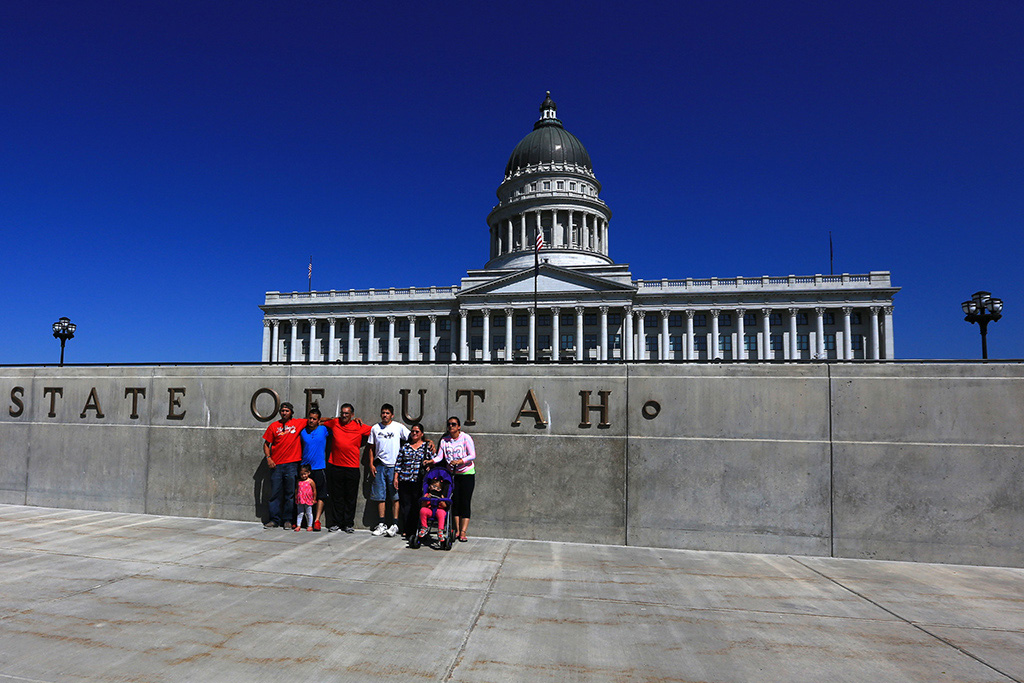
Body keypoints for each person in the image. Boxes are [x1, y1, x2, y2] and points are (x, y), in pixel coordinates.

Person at [320, 403, 371, 533]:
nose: (344, 415)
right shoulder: (335, 422)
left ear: (352, 415)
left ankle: (348, 524)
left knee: (350, 497)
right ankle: (336, 523)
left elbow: (378, 431)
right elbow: (321, 420)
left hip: (352, 468)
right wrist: (331, 418)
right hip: (336, 466)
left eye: (347, 413)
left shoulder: (359, 426)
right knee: (337, 497)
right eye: (342, 413)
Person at [429, 415, 476, 542]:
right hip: (452, 475)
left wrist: (461, 461)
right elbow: (440, 457)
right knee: (454, 502)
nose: (451, 426)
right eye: (449, 424)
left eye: (454, 424)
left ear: (459, 426)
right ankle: (456, 530)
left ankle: (463, 532)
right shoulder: (445, 441)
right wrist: (431, 461)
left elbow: (472, 455)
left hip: (466, 474)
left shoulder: (466, 438)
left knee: (465, 502)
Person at [262, 402, 307, 529]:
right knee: (275, 494)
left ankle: (287, 520)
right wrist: (268, 458)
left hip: (292, 465)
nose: (284, 413)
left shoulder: (298, 423)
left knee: (290, 494)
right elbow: (266, 444)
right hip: (276, 466)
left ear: (291, 412)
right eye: (282, 411)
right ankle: (274, 520)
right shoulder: (273, 426)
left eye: (287, 411)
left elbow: (317, 419)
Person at [368, 403, 410, 537]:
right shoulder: (375, 428)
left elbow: (412, 437)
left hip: (394, 467)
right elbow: (370, 447)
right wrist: (371, 464)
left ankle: (395, 524)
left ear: (392, 415)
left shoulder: (398, 427)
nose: (385, 415)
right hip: (379, 465)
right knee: (380, 496)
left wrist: (428, 441)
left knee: (395, 497)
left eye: (387, 413)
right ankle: (381, 524)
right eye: (383, 413)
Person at [393, 423, 435, 540]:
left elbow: (434, 460)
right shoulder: (405, 447)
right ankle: (407, 529)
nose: (414, 434)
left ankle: (416, 529)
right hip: (405, 479)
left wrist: (429, 465)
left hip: (419, 481)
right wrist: (396, 478)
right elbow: (399, 464)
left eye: (417, 432)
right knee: (406, 506)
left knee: (417, 506)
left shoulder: (426, 446)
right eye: (412, 432)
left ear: (421, 433)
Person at [299, 407, 329, 531]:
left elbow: (335, 421)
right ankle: (303, 521)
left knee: (321, 495)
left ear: (318, 420)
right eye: (310, 418)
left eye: (314, 419)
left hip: (319, 467)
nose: (311, 421)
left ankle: (317, 520)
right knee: (304, 495)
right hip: (305, 468)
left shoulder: (324, 430)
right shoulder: (302, 431)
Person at [418, 476, 449, 542]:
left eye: (438, 488)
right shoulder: (427, 494)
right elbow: (422, 505)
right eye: (434, 486)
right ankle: (424, 527)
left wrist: (441, 500)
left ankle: (440, 530)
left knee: (441, 513)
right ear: (430, 487)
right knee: (423, 510)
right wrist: (427, 499)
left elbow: (445, 506)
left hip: (438, 510)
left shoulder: (442, 496)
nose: (435, 489)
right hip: (429, 510)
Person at [294, 464, 317, 531]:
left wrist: (314, 499)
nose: (303, 476)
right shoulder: (299, 481)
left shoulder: (311, 481)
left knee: (309, 513)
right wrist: (296, 496)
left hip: (308, 500)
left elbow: (314, 490)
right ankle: (298, 525)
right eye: (301, 474)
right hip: (300, 499)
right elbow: (297, 489)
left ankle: (309, 525)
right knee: (300, 513)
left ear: (308, 473)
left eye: (305, 474)